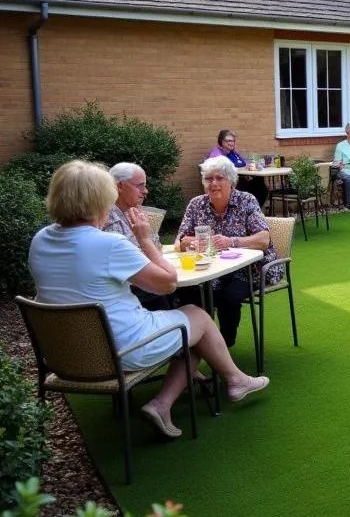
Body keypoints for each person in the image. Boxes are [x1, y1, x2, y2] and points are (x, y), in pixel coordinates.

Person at [28, 160, 268, 439]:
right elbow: (167, 283)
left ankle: (218, 383)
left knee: (188, 322)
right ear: (98, 200)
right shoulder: (109, 244)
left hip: (63, 354)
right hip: (120, 350)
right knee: (197, 318)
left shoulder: (40, 240)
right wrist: (144, 239)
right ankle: (198, 392)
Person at [175, 156, 283, 347]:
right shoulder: (196, 204)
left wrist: (231, 241)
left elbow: (264, 239)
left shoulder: (246, 200)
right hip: (212, 269)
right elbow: (180, 242)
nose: (213, 183)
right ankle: (199, 345)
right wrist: (192, 242)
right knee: (189, 292)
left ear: (231, 181)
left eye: (219, 178)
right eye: (209, 179)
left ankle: (223, 345)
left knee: (227, 297)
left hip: (251, 269)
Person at [103, 162, 175, 310]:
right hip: (130, 296)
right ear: (120, 186)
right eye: (140, 186)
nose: (146, 191)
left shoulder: (135, 212)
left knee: (184, 295)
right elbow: (134, 264)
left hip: (141, 287)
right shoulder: (109, 219)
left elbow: (157, 248)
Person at [210, 129, 266, 208]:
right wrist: (238, 169)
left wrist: (249, 165)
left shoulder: (233, 152)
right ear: (221, 141)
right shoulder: (216, 153)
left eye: (233, 141)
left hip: (241, 179)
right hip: (230, 183)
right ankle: (249, 211)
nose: (231, 143)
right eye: (228, 141)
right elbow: (219, 168)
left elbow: (244, 161)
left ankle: (254, 211)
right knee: (255, 189)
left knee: (260, 184)